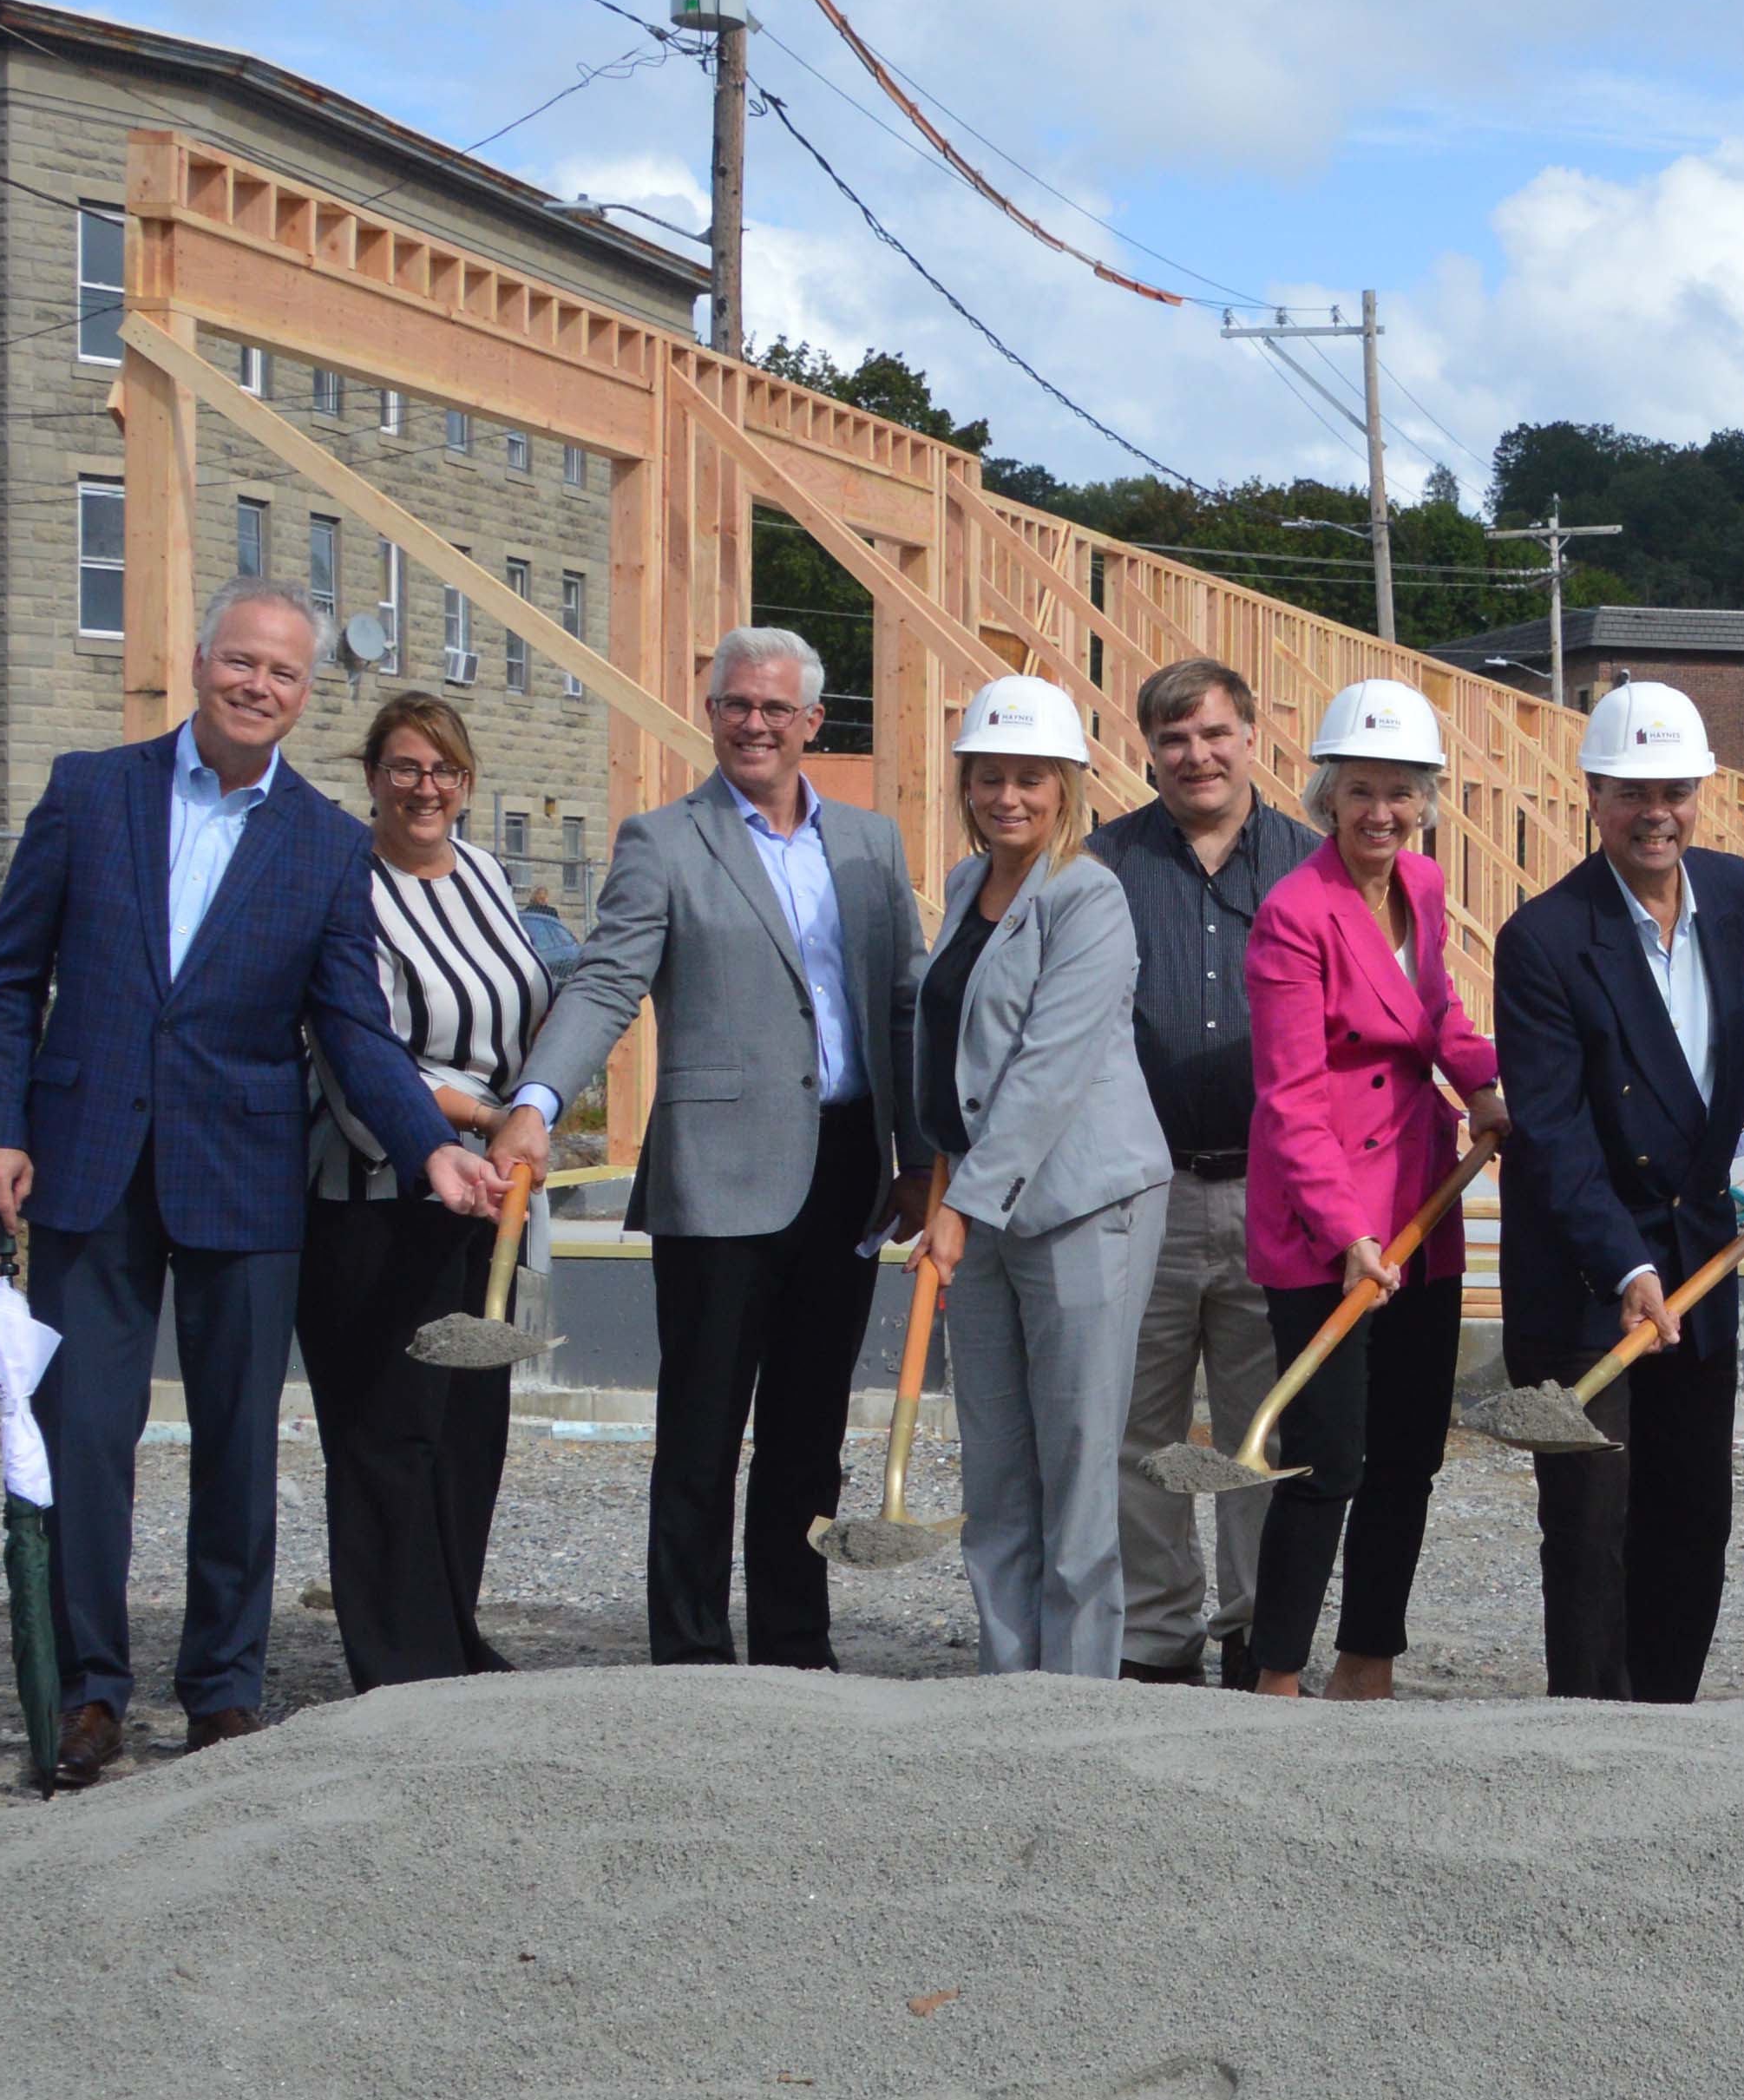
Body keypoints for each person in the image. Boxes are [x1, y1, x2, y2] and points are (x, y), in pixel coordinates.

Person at [0, 581, 503, 1782]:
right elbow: (5, 981)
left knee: (236, 1441)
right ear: (199, 659)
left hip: (244, 1181)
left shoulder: (322, 842)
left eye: (285, 674)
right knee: (85, 1433)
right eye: (241, 663)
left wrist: (431, 1144)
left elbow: (353, 1029)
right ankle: (90, 1693)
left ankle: (221, 1691)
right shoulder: (88, 793)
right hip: (90, 1166)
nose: (259, 686)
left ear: (308, 696)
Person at [495, 625, 927, 1670]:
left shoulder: (869, 845)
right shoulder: (665, 840)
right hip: (719, 1174)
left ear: (814, 723)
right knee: (701, 1429)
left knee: (808, 1426)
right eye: (737, 703)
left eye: (777, 708)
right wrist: (539, 1100)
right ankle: (689, 1648)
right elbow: (605, 983)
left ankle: (793, 1640)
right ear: (711, 709)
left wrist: (923, 1153)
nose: (754, 724)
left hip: (846, 1171)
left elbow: (906, 998)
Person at [1488, 679, 1744, 1703]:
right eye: (1631, 792)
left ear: (1700, 791)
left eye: (1673, 790)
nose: (1654, 813)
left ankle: (1669, 1710)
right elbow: (1551, 1130)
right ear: (1592, 795)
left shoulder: (1736, 894)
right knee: (1590, 1516)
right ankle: (1589, 1718)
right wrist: (1624, 1264)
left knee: (1690, 1505)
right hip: (1586, 1270)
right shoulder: (1545, 938)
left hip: (1700, 1249)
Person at [1240, 680, 1510, 1699]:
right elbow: (1292, 1096)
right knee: (1326, 1459)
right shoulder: (1291, 915)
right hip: (1327, 1225)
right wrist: (1348, 1232)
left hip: (1420, 1201)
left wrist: (1481, 1085)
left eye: (1400, 792)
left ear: (1425, 799)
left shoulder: (1423, 888)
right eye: (1361, 790)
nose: (1381, 812)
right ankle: (1273, 1671)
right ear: (1326, 795)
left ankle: (1368, 1660)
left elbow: (1435, 1007)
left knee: (1406, 1453)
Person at [292, 692, 554, 1695]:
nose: (425, 787)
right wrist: (486, 1119)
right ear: (371, 778)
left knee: (465, 1431)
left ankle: (452, 1630)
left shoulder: (487, 874)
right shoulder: (343, 884)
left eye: (443, 769)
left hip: (494, 1186)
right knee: (388, 1429)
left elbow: (527, 1007)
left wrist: (525, 1109)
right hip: (375, 1183)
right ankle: (396, 1660)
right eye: (404, 768)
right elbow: (363, 1046)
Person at [910, 676, 1170, 1679]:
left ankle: (1077, 1689)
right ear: (966, 785)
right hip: (975, 1209)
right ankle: (1007, 1674)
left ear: (1066, 787)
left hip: (1080, 1207)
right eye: (989, 778)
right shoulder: (966, 886)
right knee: (996, 1455)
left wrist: (960, 1211)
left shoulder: (1087, 896)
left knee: (1076, 1456)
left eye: (1030, 778)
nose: (1008, 796)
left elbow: (1047, 1068)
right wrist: (939, 1188)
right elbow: (956, 1059)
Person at [1087, 657, 1322, 1689]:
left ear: (1251, 732)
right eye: (1174, 739)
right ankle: (1156, 1632)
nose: (1197, 756)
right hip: (1145, 1190)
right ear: (1147, 749)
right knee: (1139, 1428)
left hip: (1278, 1197)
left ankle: (1253, 1630)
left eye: (1214, 733)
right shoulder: (1102, 866)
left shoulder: (1311, 869)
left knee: (1259, 1424)